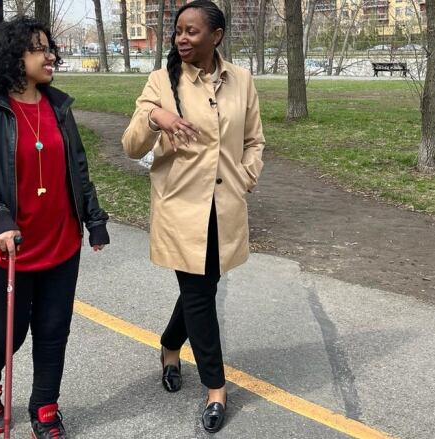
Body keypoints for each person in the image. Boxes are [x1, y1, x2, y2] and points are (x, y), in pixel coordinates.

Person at [0, 16, 109, 439]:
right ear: (14, 56)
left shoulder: (58, 106)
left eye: (50, 47)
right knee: (10, 334)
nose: (51, 55)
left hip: (60, 242)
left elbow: (77, 167)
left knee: (54, 329)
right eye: (40, 48)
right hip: (6, 249)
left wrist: (94, 219)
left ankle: (44, 407)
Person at [121, 0, 264, 433]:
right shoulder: (161, 82)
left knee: (203, 286)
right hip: (181, 208)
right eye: (178, 31)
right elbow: (131, 147)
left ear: (216, 36)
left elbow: (255, 140)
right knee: (200, 296)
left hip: (225, 207)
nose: (182, 38)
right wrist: (154, 116)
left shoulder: (241, 80)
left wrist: (245, 178)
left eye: (192, 31)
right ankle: (216, 388)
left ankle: (168, 345)